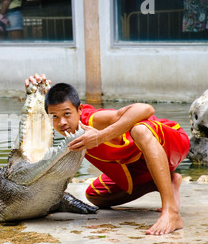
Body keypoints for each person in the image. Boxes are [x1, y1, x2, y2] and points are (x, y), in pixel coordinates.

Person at [25, 74, 190, 235]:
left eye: (67, 114)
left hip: (170, 144)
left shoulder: (93, 120)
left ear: (79, 110)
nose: (62, 122)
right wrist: (35, 91)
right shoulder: (70, 135)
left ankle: (171, 212)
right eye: (55, 117)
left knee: (139, 130)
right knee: (95, 197)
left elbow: (146, 109)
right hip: (138, 163)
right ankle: (167, 182)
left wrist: (99, 137)